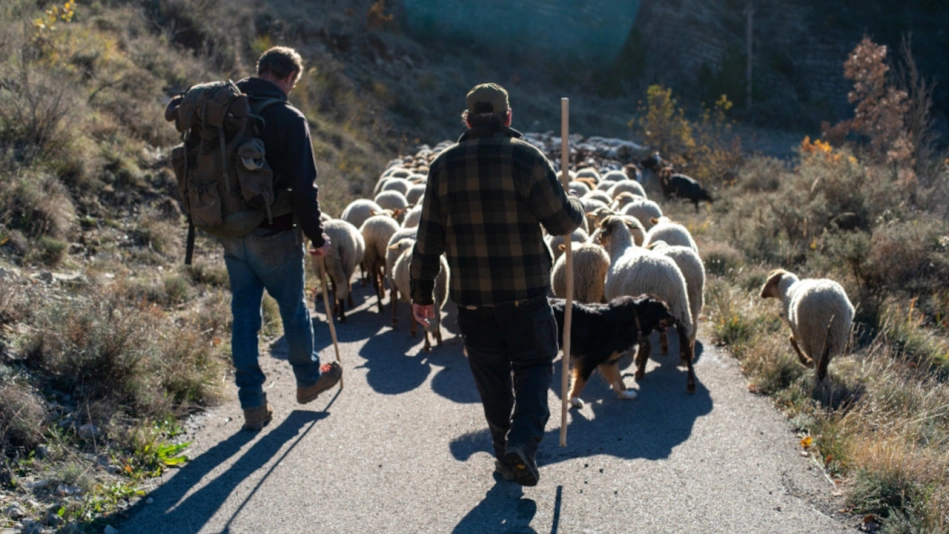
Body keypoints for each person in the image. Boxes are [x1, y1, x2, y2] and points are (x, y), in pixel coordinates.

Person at [409, 83, 584, 486]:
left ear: (468, 120)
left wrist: (421, 294)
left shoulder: (443, 166)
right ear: (508, 117)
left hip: (472, 303)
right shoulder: (526, 158)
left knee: (491, 379)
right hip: (525, 296)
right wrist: (574, 201)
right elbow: (562, 222)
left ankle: (505, 450)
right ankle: (522, 442)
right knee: (535, 365)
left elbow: (427, 238)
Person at [224, 46, 341, 431]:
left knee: (244, 313)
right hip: (274, 233)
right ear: (289, 78)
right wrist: (317, 236)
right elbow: (304, 188)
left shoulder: (227, 111)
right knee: (293, 310)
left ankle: (252, 406)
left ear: (260, 71)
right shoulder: (288, 118)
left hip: (232, 232)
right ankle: (308, 380)